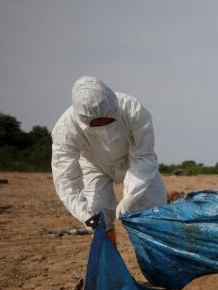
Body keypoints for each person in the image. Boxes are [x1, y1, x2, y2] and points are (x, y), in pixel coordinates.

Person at [51, 76, 167, 245]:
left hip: (133, 161)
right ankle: (111, 258)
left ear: (115, 107)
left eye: (108, 120)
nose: (103, 128)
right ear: (82, 119)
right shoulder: (65, 129)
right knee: (97, 216)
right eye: (96, 123)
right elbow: (65, 178)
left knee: (151, 210)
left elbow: (143, 156)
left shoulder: (133, 109)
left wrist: (130, 198)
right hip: (93, 165)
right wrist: (84, 214)